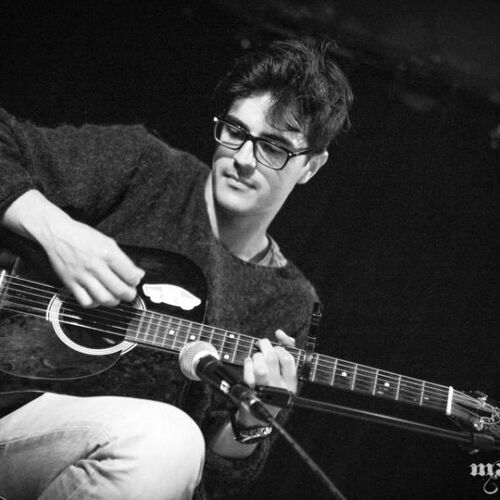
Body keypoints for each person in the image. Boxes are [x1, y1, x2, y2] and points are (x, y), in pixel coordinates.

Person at [0, 38, 353, 499]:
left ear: (311, 167)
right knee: (167, 439)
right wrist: (58, 232)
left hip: (103, 459)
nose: (243, 159)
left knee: (171, 445)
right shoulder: (146, 168)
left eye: (274, 148)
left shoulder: (289, 301)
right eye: (235, 131)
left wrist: (252, 421)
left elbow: (212, 478)